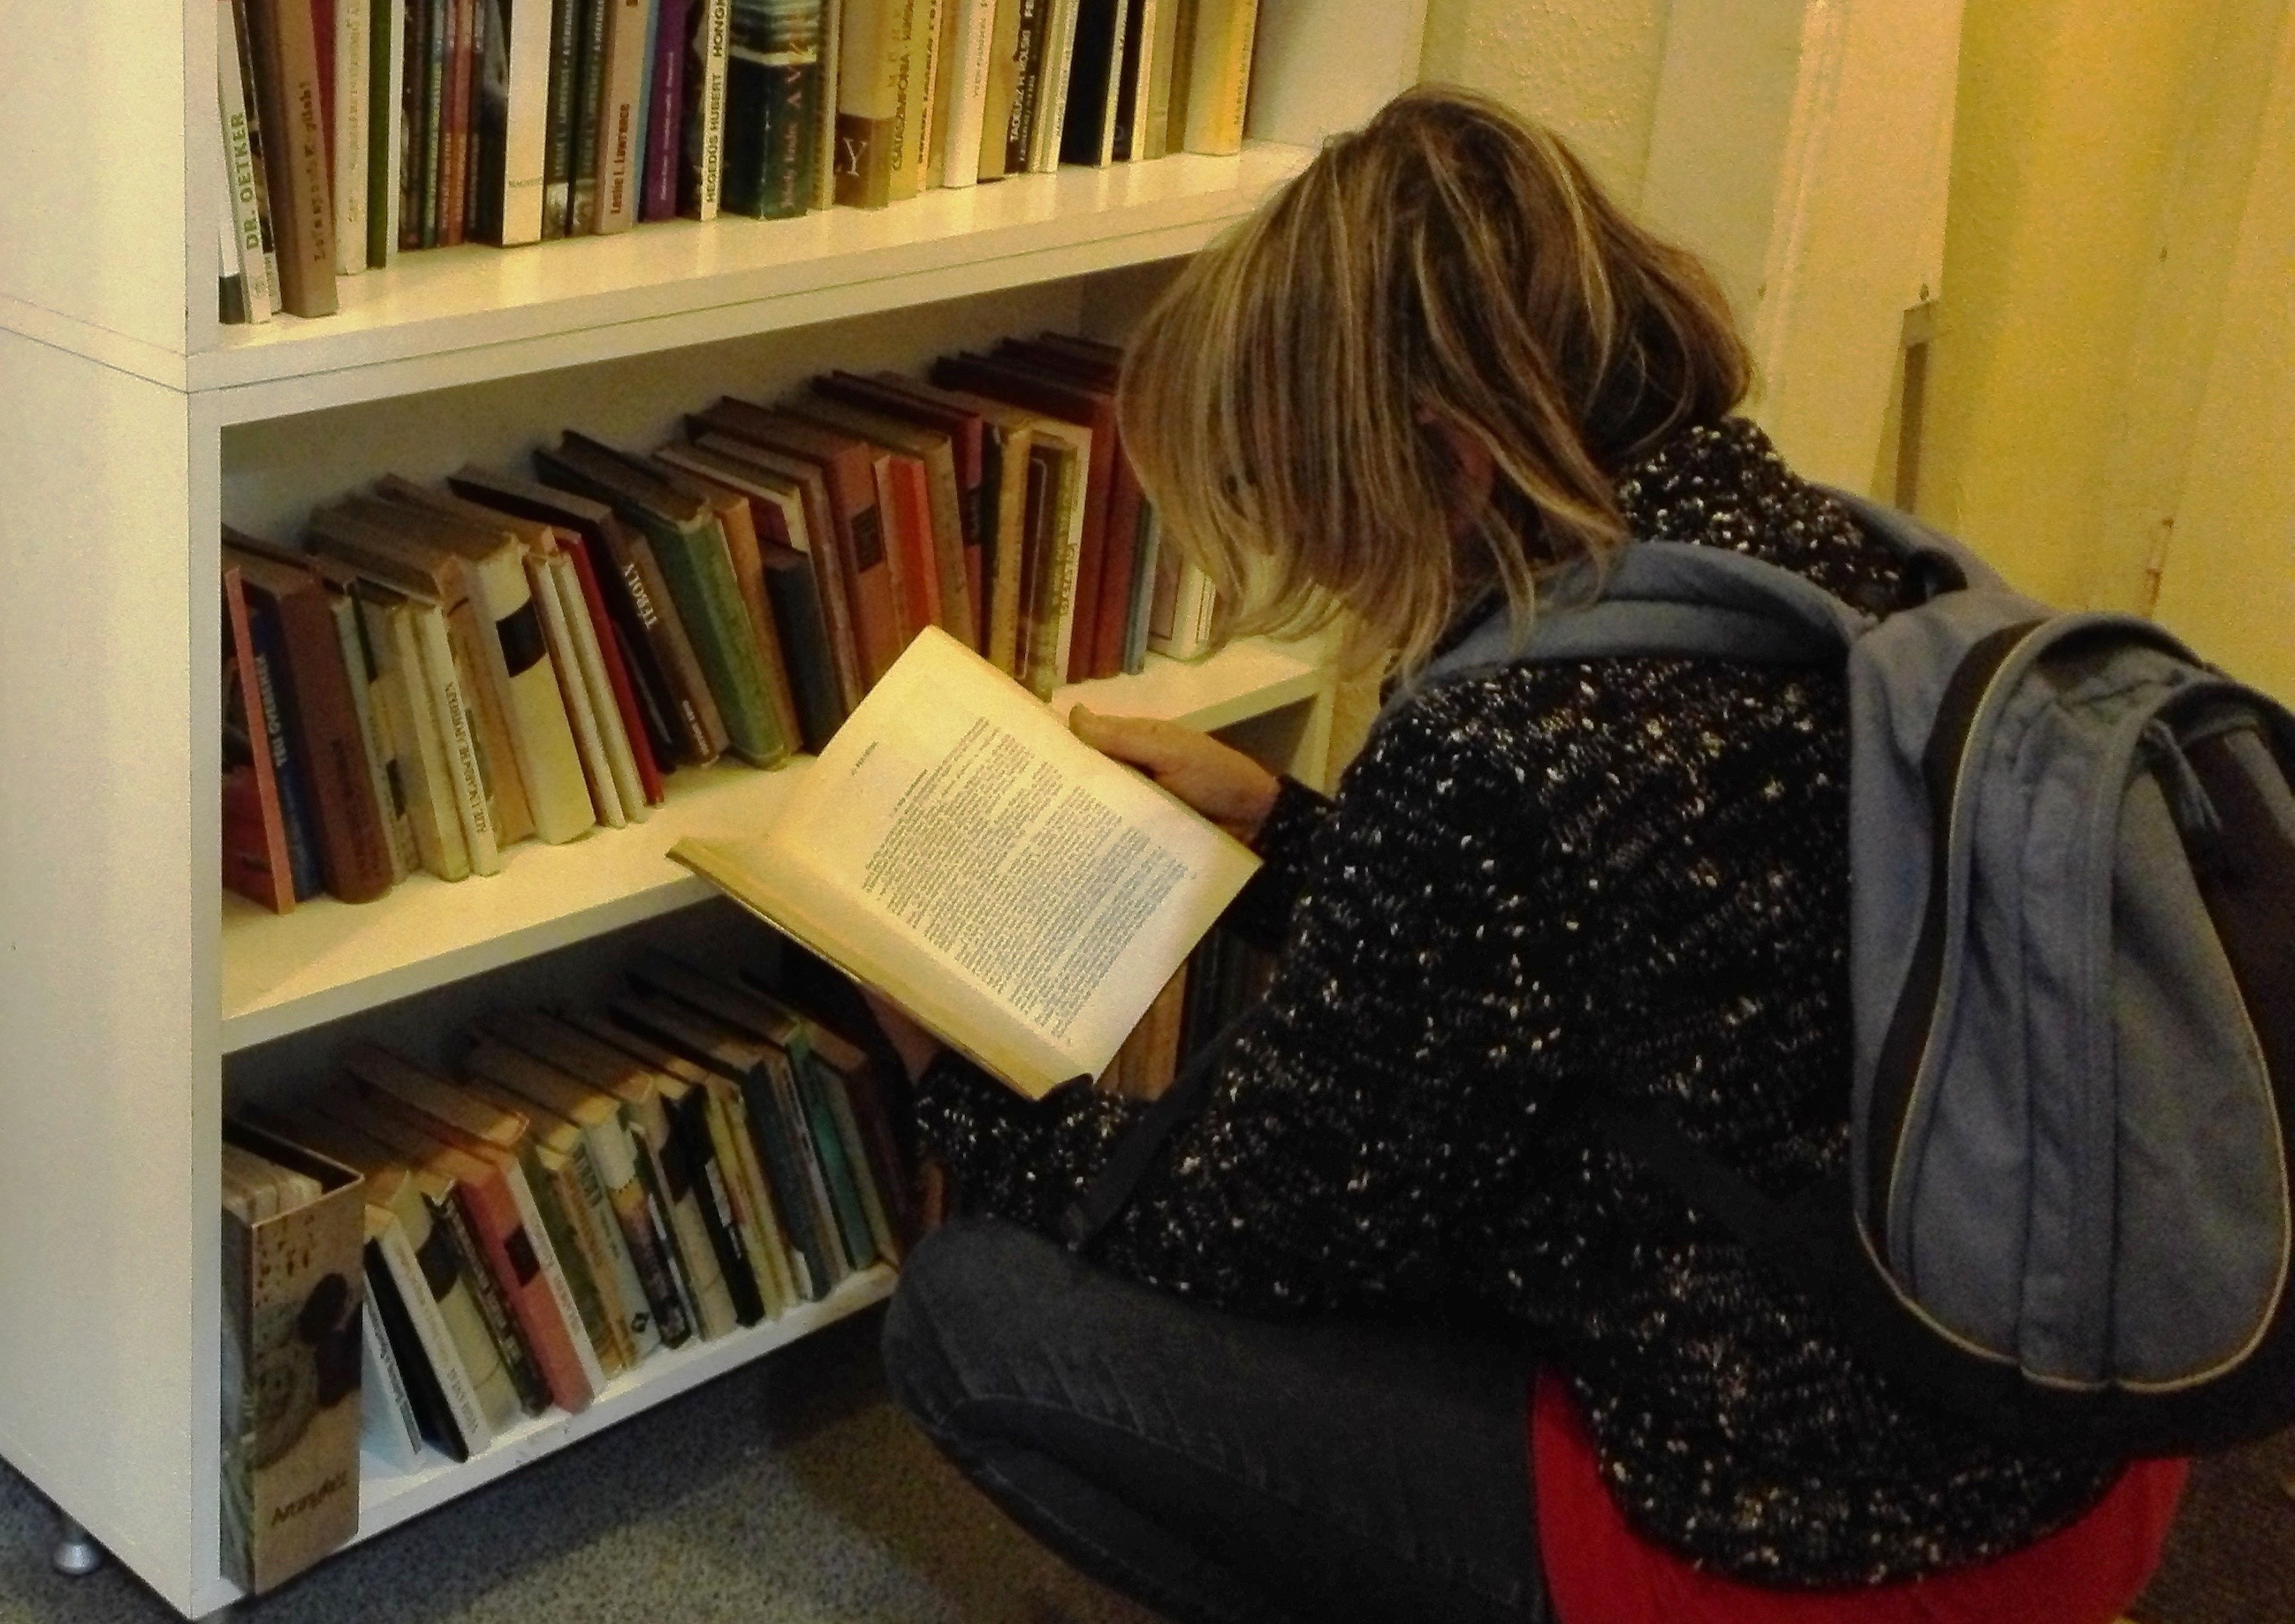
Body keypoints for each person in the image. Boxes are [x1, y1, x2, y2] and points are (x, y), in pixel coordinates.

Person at [869, 87, 2187, 1624]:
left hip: (1821, 1541)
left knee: (972, 1316)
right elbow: (1642, 945)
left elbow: (1247, 1229)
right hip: (2076, 1437)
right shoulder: (1814, 553)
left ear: (1442, 463)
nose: (1304, 547)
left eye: (1297, 492)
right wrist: (1288, 833)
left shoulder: (1505, 737)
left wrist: (955, 1088)